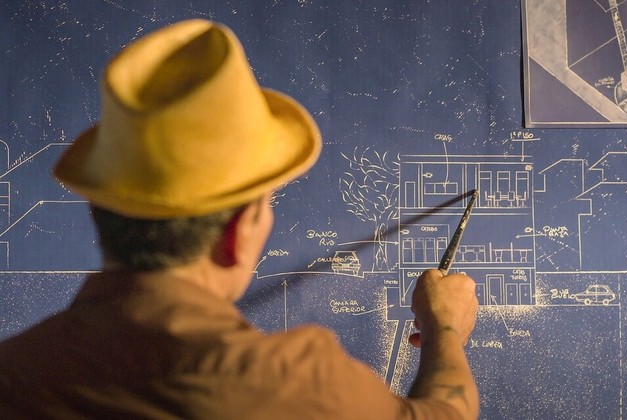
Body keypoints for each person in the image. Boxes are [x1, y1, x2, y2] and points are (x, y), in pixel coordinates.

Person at [0, 19, 479, 419]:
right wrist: (445, 328)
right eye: (267, 204)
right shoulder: (294, 384)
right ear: (236, 234)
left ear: (100, 213)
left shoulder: (15, 372)